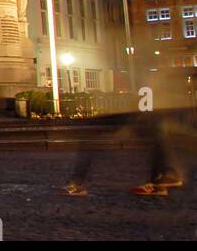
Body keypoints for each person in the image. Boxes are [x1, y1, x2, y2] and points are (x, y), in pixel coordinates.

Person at [63, 69, 193, 197]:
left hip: (132, 109)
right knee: (155, 135)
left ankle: (162, 178)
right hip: (138, 108)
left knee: (153, 134)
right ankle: (162, 178)